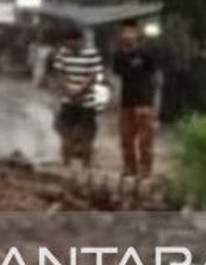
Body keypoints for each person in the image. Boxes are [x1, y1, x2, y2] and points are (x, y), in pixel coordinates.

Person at [112, 20, 159, 178]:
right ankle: (129, 167)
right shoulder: (118, 56)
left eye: (131, 32)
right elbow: (117, 76)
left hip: (144, 101)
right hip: (126, 101)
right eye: (125, 32)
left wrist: (153, 100)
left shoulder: (147, 54)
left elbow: (155, 75)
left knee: (145, 138)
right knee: (126, 137)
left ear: (137, 33)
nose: (128, 35)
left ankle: (146, 168)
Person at [52, 25, 104, 168]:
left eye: (73, 42)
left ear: (80, 40)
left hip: (87, 101)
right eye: (68, 43)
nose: (70, 46)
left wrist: (80, 90)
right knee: (66, 134)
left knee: (87, 135)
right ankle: (65, 163)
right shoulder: (63, 53)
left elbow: (94, 75)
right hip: (68, 100)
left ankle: (86, 165)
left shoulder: (92, 54)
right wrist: (68, 90)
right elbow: (59, 74)